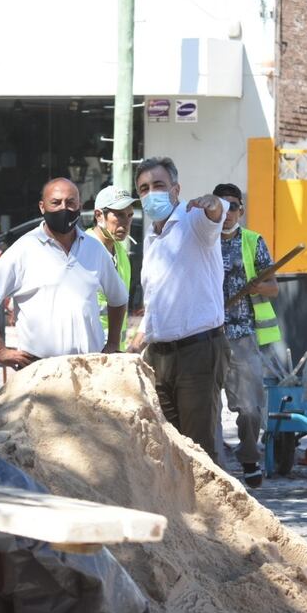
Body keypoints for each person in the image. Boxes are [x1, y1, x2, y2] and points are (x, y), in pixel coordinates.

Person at [129, 157, 230, 463]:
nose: (151, 194)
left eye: (158, 185)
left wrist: (214, 203)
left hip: (197, 352)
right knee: (169, 448)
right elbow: (156, 300)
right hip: (160, 356)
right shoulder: (152, 238)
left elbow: (216, 215)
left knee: (198, 450)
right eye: (144, 188)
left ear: (176, 189)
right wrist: (138, 342)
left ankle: (209, 497)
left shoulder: (193, 219)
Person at [0, 178, 128, 369]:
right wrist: (0, 351)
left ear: (79, 205)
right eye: (56, 202)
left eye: (70, 202)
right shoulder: (24, 248)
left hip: (89, 367)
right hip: (40, 369)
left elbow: (118, 298)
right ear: (42, 207)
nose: (64, 208)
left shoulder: (95, 249)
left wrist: (113, 343)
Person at [213, 183, 279, 488]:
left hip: (242, 336)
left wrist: (256, 286)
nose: (228, 213)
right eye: (222, 207)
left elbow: (273, 288)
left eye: (233, 207)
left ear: (241, 210)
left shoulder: (253, 241)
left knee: (250, 408)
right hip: (205, 334)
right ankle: (212, 462)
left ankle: (250, 456)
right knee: (206, 407)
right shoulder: (201, 238)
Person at [89, 185, 136, 351]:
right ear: (99, 215)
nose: (126, 222)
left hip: (113, 351)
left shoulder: (121, 252)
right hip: (89, 350)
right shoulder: (83, 250)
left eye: (130, 215)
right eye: (119, 215)